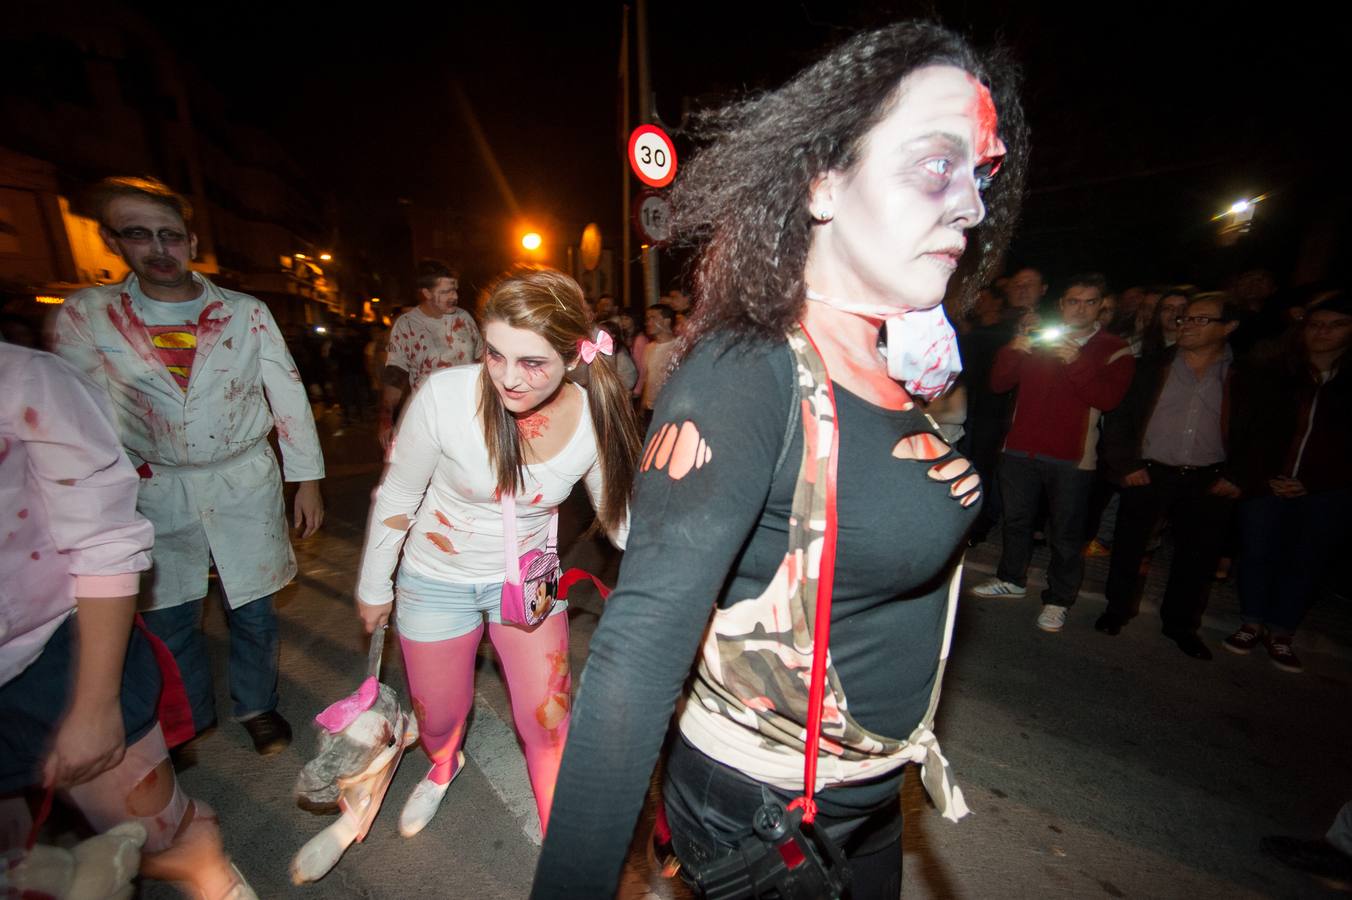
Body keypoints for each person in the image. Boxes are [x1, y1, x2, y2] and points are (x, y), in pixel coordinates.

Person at [532, 22, 1028, 898]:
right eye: (935, 165)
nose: (972, 206)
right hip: (768, 809)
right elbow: (634, 662)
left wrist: (940, 446)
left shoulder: (890, 354)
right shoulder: (746, 370)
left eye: (981, 174)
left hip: (868, 797)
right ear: (822, 181)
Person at [354, 267, 639, 838]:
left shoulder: (592, 416)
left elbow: (620, 519)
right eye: (495, 355)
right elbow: (400, 494)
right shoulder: (444, 397)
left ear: (573, 356)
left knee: (548, 723)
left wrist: (690, 580)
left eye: (532, 362)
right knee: (436, 717)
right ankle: (442, 765)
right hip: (435, 580)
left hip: (529, 585)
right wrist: (373, 583)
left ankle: (566, 853)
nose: (508, 378)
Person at [54, 176, 324, 755]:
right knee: (169, 612)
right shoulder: (89, 315)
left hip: (241, 477)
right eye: (137, 234)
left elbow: (288, 394)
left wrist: (308, 481)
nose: (157, 249)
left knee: (252, 607)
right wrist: (89, 500)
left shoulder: (245, 313)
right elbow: (78, 413)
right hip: (152, 487)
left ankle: (258, 704)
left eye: (169, 235)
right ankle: (185, 719)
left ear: (191, 240)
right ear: (113, 241)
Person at [0, 342, 256, 898]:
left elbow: (104, 539)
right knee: (23, 866)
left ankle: (216, 883)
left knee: (156, 833)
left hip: (51, 650)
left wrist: (95, 704)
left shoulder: (22, 380)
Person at [971, 274, 1134, 632]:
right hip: (1018, 450)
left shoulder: (1114, 349)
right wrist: (1014, 349)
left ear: (1101, 307)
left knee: (1066, 533)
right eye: (1073, 301)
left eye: (1090, 302)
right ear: (1061, 305)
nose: (1081, 308)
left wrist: (1077, 361)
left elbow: (1107, 400)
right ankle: (1011, 580)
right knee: (1016, 522)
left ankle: (1059, 599)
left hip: (1073, 458)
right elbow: (999, 383)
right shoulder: (1038, 337)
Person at [1096, 293, 1242, 658]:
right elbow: (1120, 418)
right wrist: (1127, 465)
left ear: (1229, 327)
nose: (1187, 324)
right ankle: (1117, 610)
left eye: (1199, 319)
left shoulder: (1243, 374)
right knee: (1129, 546)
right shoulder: (1151, 366)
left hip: (1209, 477)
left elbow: (1260, 431)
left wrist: (1240, 476)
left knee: (1197, 557)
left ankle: (1180, 625)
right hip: (1149, 471)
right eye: (1184, 318)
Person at [1223, 292, 1352, 673]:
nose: (1323, 332)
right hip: (1267, 483)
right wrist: (1262, 475)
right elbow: (1250, 432)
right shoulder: (1277, 375)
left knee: (1307, 560)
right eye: (1315, 324)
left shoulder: (1348, 385)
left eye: (1336, 325)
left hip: (1327, 491)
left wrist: (1313, 481)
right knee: (1258, 552)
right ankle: (1251, 622)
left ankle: (1282, 633)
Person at [379, 260, 483, 450]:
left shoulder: (465, 319)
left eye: (455, 290)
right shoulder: (406, 325)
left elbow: (481, 362)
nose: (454, 297)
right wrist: (386, 420)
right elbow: (396, 374)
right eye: (445, 292)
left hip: (468, 416)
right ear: (426, 293)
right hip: (429, 419)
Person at [636, 302, 677, 426]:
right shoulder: (648, 348)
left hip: (670, 408)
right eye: (647, 319)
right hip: (651, 408)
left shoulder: (679, 347)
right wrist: (643, 406)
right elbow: (646, 378)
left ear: (667, 321)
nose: (647, 322)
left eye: (653, 318)